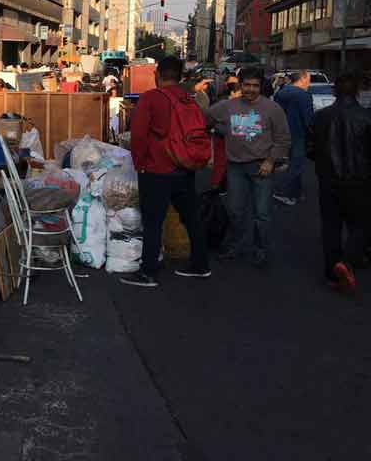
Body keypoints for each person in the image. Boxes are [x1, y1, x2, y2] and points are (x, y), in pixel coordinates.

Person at [124, 55, 211, 287]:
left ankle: (148, 272)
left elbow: (138, 135)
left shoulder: (151, 98)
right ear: (180, 77)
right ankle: (201, 265)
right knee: (191, 218)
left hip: (156, 169)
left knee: (153, 221)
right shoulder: (188, 98)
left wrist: (139, 164)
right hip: (184, 167)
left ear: (157, 75)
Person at [206, 66, 291, 267]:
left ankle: (260, 250)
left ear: (260, 86)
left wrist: (271, 161)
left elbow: (283, 138)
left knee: (261, 213)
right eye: (247, 85)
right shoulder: (227, 106)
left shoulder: (272, 109)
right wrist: (217, 131)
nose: (251, 89)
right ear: (240, 85)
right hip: (235, 167)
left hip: (261, 166)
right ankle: (236, 246)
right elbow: (205, 118)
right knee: (235, 211)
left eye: (255, 85)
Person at [309, 73, 371, 292]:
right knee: (362, 224)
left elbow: (310, 148)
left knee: (331, 228)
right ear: (357, 92)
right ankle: (347, 260)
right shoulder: (366, 117)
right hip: (359, 181)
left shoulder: (321, 116)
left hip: (328, 181)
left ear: (334, 90)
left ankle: (332, 273)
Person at [273, 71, 315, 206]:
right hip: (298, 133)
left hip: (283, 133)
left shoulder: (281, 93)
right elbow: (308, 118)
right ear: (302, 79)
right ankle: (286, 193)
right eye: (309, 79)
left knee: (294, 163)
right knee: (296, 164)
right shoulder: (304, 95)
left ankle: (296, 191)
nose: (309, 83)